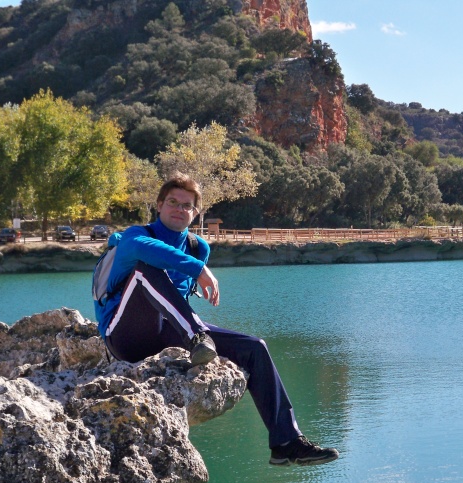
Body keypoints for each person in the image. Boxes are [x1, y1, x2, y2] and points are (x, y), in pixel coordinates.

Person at [94, 173, 339, 466]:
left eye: (187, 206)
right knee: (146, 270)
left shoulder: (198, 248)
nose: (179, 209)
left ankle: (286, 441)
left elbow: (177, 300)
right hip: (125, 336)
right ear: (159, 205)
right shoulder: (137, 236)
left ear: (196, 214)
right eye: (172, 202)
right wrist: (198, 269)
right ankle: (198, 338)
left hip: (170, 334)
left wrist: (196, 266)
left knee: (255, 348)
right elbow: (143, 253)